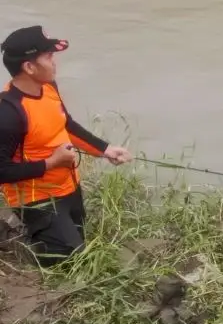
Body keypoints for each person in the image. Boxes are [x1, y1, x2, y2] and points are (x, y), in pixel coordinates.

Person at [0, 26, 133, 267]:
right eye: (49, 56)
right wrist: (51, 163)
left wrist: (104, 150)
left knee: (83, 244)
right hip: (36, 198)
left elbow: (66, 124)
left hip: (68, 186)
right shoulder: (8, 113)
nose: (55, 62)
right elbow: (1, 171)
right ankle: (25, 238)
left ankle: (47, 236)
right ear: (29, 67)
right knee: (72, 261)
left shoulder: (48, 87)